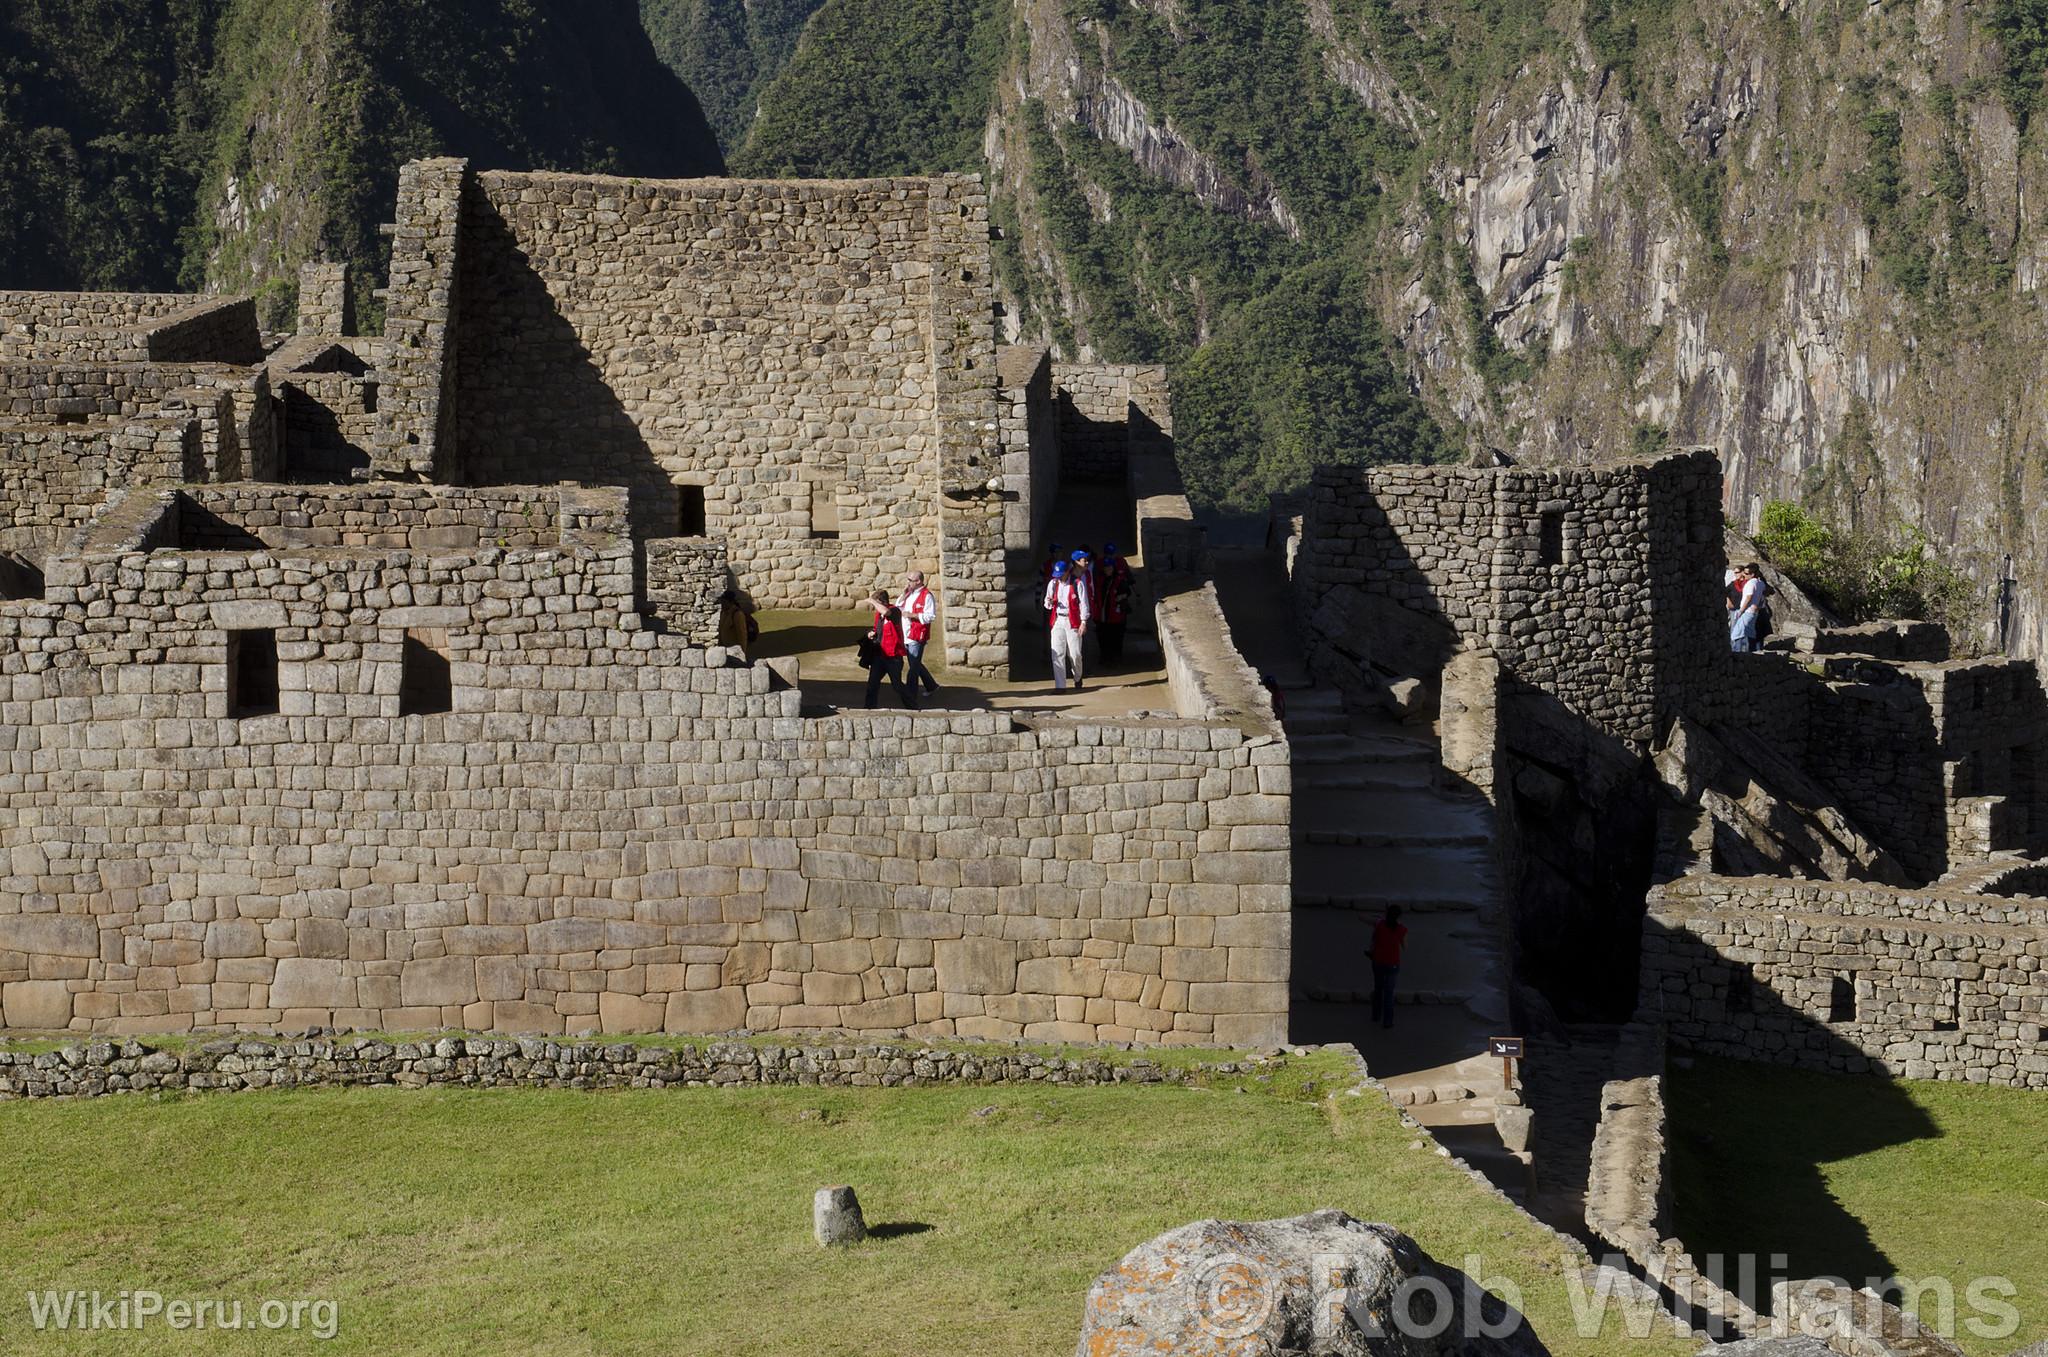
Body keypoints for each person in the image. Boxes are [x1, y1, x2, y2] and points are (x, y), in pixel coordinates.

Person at [863, 589, 917, 710]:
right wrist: (871, 633)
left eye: (877, 603)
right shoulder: (879, 615)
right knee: (872, 683)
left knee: (897, 685)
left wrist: (872, 601)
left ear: (882, 602)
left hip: (893, 658)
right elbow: (877, 629)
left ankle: (912, 706)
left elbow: (886, 612)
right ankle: (869, 708)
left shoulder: (894, 611)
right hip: (879, 656)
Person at [1044, 559, 1091, 691]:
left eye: (1061, 575)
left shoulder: (1077, 583)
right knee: (1057, 653)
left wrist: (1083, 622)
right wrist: (1049, 602)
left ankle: (1078, 677)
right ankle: (1060, 686)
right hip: (1058, 620)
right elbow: (1047, 604)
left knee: (1075, 654)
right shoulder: (1053, 584)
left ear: (1066, 572)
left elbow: (1084, 604)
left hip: (1073, 621)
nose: (1058, 578)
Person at [900, 570, 940, 698]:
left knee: (913, 667)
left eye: (910, 580)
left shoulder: (927, 596)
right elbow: (898, 606)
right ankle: (931, 685)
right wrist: (904, 594)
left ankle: (910, 694)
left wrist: (912, 615)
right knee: (915, 663)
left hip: (917, 635)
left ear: (918, 581)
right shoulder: (909, 593)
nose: (908, 582)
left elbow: (930, 616)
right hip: (906, 633)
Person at [1369, 905, 1407, 1031]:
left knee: (1378, 989)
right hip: (1393, 963)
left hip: (1378, 961)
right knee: (1389, 993)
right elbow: (1405, 946)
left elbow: (1361, 917)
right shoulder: (1401, 929)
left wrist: (1377, 917)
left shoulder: (1379, 925)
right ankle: (1387, 1021)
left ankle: (1376, 1015)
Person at [1095, 542, 1134, 665]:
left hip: (1116, 615)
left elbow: (1129, 588)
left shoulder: (1120, 578)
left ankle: (1116, 658)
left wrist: (1122, 596)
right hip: (1103, 614)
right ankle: (1105, 657)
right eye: (1106, 568)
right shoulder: (1099, 578)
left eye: (1110, 568)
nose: (1108, 570)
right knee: (1103, 637)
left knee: (1117, 637)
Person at [1729, 564, 1767, 653]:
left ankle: (1737, 652)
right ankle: (1751, 652)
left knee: (1737, 634)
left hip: (1747, 611)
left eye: (1746, 573)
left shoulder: (1750, 583)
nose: (1744, 575)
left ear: (1752, 574)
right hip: (1754, 611)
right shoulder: (1761, 583)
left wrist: (1741, 610)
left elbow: (1749, 597)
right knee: (1750, 633)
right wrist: (1759, 606)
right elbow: (1763, 596)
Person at [716, 588, 757, 656]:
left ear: (730, 602)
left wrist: (742, 652)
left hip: (735, 651)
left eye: (724, 601)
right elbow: (721, 630)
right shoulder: (723, 613)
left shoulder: (737, 614)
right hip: (725, 650)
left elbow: (742, 635)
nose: (722, 603)